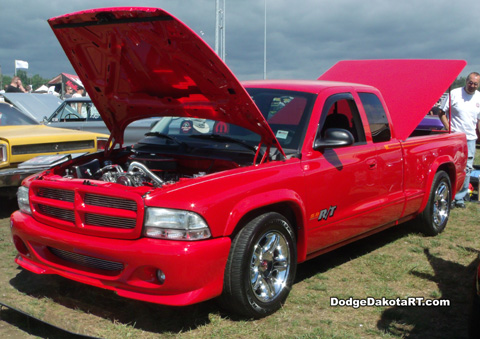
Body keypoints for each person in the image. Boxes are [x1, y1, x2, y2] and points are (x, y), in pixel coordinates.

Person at [438, 72, 480, 208]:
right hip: (455, 138)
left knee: (467, 168)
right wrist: (449, 129)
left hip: (470, 138)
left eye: (475, 84)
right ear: (466, 81)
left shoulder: (478, 97)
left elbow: (478, 120)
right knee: (453, 166)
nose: (472, 86)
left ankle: (460, 198)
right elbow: (441, 112)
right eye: (470, 83)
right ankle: (449, 196)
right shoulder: (455, 93)